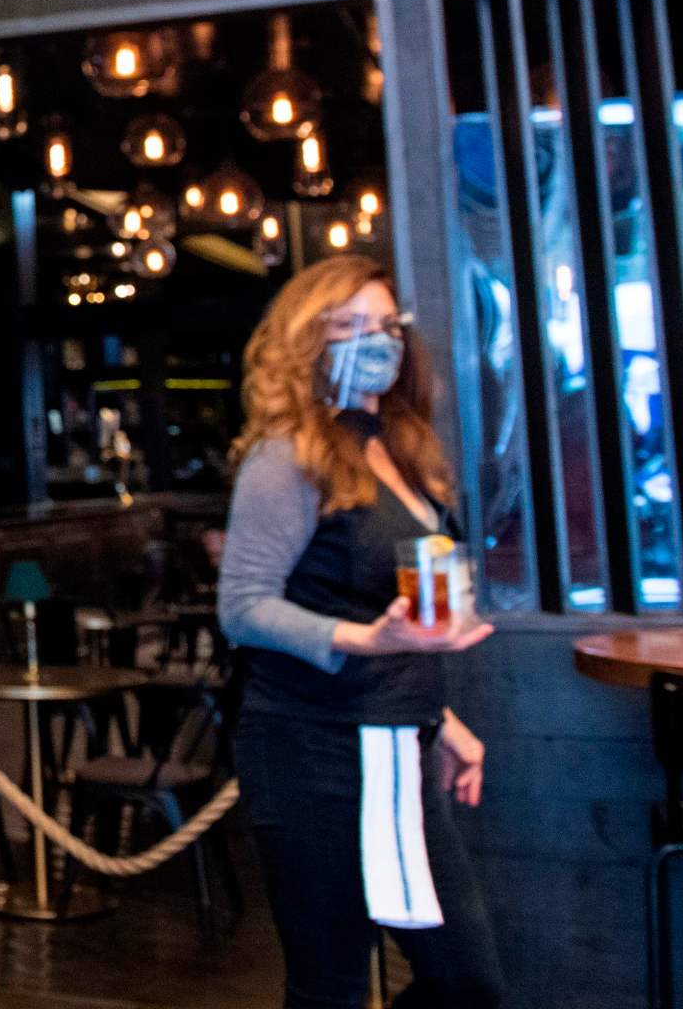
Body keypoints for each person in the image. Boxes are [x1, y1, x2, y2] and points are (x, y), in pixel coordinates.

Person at [218, 255, 506, 1009]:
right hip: (310, 747)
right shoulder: (286, 458)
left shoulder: (402, 449)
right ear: (304, 345)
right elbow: (244, 608)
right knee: (331, 986)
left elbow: (403, 613)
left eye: (383, 327)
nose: (372, 343)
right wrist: (363, 641)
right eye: (346, 327)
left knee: (466, 981)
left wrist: (441, 721)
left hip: (397, 741)